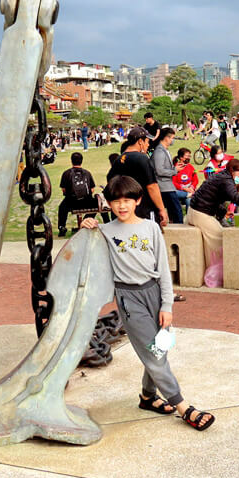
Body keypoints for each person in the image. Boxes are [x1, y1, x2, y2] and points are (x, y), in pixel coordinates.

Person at [81, 176, 214, 430]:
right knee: (154, 355)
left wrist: (167, 306)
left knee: (160, 348)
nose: (121, 206)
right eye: (116, 201)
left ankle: (147, 396)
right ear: (108, 203)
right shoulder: (105, 232)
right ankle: (182, 406)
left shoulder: (151, 228)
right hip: (129, 299)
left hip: (154, 293)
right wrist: (88, 225)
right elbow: (86, 251)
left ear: (138, 201)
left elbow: (163, 270)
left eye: (127, 200)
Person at [186, 159, 239, 281]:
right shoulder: (226, 180)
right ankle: (219, 273)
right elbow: (234, 196)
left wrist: (223, 212)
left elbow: (212, 198)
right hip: (200, 213)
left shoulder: (221, 176)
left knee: (218, 237)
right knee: (221, 239)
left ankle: (214, 270)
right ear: (232, 171)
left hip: (196, 211)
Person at [107, 127, 168, 226]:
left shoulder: (119, 159)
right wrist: (161, 209)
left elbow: (110, 182)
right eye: (147, 141)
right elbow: (152, 186)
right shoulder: (142, 158)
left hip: (124, 211)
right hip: (143, 210)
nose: (148, 145)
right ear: (140, 141)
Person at [57, 152, 99, 237]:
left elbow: (63, 190)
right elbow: (92, 189)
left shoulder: (66, 173)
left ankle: (62, 227)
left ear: (71, 161)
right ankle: (85, 221)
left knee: (62, 208)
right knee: (97, 205)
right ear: (81, 161)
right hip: (86, 202)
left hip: (71, 203)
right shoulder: (87, 173)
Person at [151, 127, 182, 224]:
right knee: (177, 210)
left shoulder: (164, 150)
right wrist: (174, 171)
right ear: (166, 138)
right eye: (172, 138)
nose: (173, 140)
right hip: (164, 186)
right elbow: (159, 170)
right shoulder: (159, 151)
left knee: (174, 211)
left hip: (168, 185)